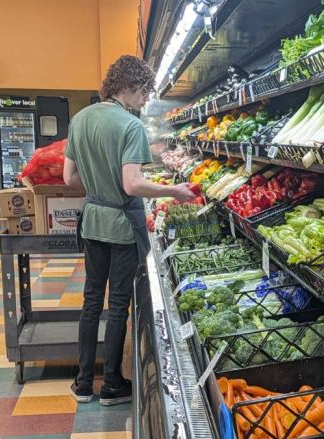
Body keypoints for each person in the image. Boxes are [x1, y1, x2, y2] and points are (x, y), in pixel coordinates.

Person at [63, 55, 195, 405]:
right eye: (144, 93)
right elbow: (133, 184)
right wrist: (174, 191)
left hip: (92, 221)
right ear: (132, 86)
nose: (145, 100)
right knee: (118, 304)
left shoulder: (80, 120)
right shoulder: (130, 125)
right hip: (121, 225)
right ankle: (111, 386)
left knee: (91, 302)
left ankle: (82, 384)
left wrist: (98, 189)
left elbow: (69, 177)